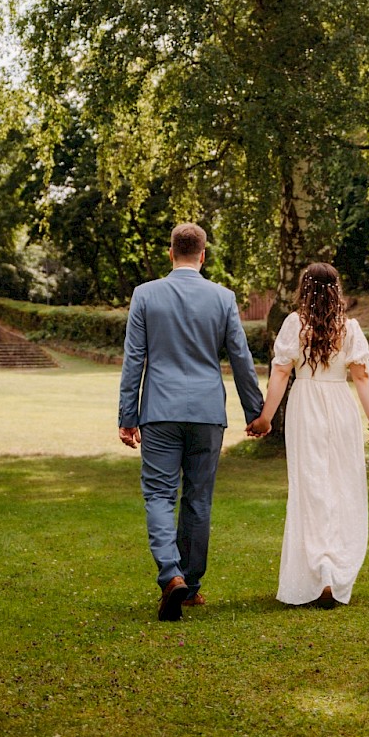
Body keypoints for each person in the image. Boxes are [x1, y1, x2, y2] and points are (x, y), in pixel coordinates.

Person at [118, 221, 265, 621]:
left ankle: (170, 575)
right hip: (205, 413)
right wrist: (256, 413)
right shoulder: (223, 298)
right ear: (203, 255)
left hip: (160, 412)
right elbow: (241, 358)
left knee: (159, 496)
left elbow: (134, 359)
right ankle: (190, 586)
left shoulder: (146, 295)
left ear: (171, 253)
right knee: (198, 499)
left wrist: (127, 416)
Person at [247, 261, 369, 608]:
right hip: (340, 407)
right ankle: (333, 570)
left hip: (305, 405)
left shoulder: (296, 324)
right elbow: (363, 379)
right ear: (336, 291)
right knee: (340, 487)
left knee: (310, 487)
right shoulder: (350, 329)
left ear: (303, 290)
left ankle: (319, 570)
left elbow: (280, 374)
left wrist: (265, 418)